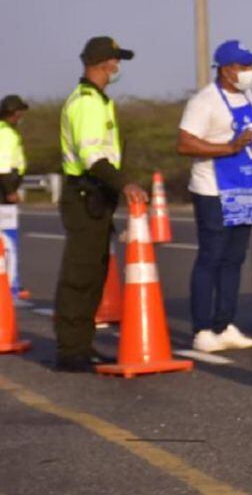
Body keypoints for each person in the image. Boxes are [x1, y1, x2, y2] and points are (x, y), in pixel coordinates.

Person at [177, 40, 252, 353]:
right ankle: (202, 330)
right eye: (244, 66)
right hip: (214, 190)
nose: (250, 72)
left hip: (247, 188)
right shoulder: (205, 101)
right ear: (226, 70)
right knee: (211, 257)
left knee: (234, 259)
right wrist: (228, 148)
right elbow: (185, 143)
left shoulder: (247, 95)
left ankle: (224, 324)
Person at [55, 37, 148, 372]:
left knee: (94, 274)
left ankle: (83, 344)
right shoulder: (85, 103)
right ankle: (70, 350)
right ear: (103, 63)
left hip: (95, 197)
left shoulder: (98, 101)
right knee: (79, 275)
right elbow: (93, 157)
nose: (118, 67)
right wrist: (126, 183)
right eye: (115, 61)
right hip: (84, 194)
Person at [0, 95, 29, 300]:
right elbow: (3, 166)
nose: (21, 116)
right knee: (6, 239)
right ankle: (10, 284)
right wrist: (10, 190)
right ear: (13, 113)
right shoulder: (6, 134)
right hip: (3, 191)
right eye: (20, 111)